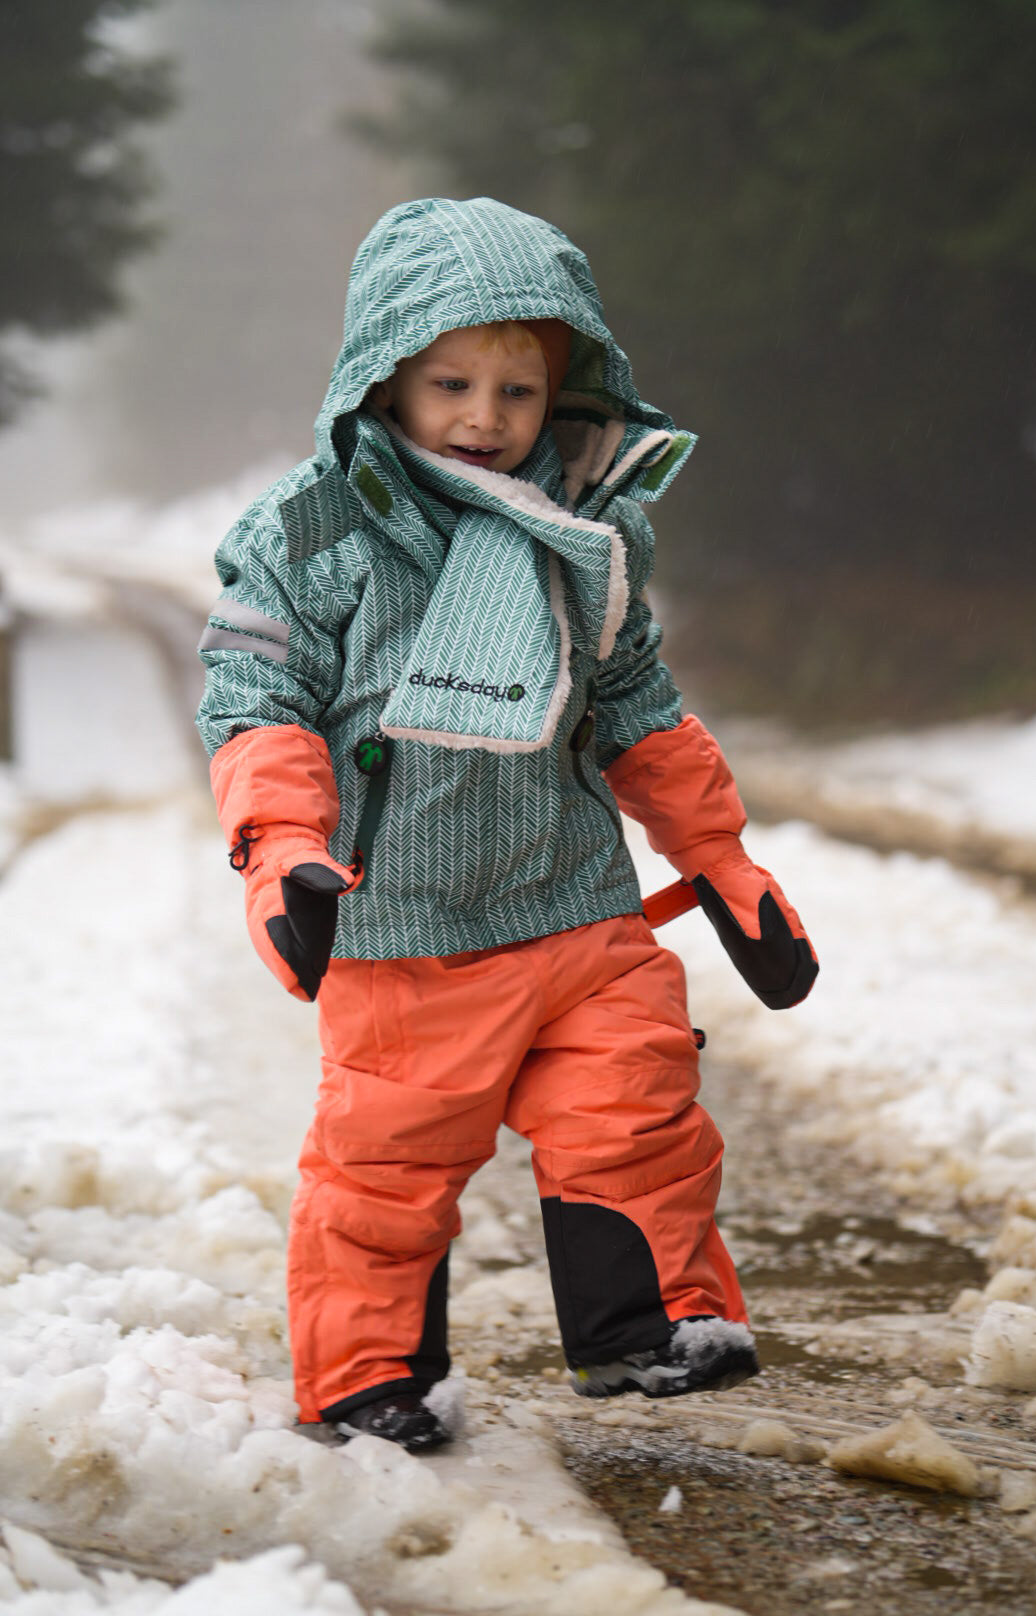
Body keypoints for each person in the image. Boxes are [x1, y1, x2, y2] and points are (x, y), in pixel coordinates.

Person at [196, 197, 818, 1455]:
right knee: (388, 1167)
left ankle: (643, 1322)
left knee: (637, 1105)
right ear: (383, 375)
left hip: (574, 903)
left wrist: (718, 856)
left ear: (566, 389)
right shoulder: (316, 533)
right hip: (407, 924)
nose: (485, 419)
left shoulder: (590, 535)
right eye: (450, 383)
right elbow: (255, 702)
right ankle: (371, 1375)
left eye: (518, 392)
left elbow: (639, 707)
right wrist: (281, 845)